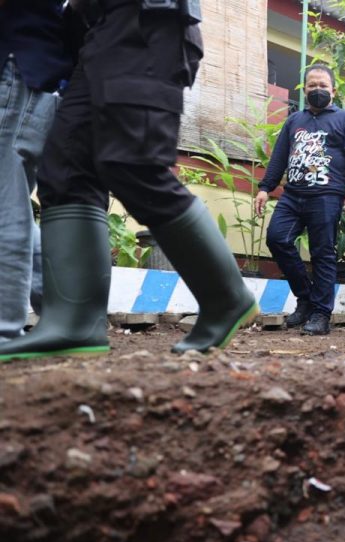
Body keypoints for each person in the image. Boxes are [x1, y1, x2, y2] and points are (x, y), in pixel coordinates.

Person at [0, 0, 258, 363]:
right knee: (65, 167)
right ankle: (72, 321)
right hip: (97, 30)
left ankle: (225, 299)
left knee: (131, 161)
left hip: (145, 19)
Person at [257, 64, 345, 336]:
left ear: (333, 90)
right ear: (304, 89)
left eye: (323, 86)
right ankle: (305, 298)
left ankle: (321, 314)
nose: (317, 90)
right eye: (312, 86)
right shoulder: (294, 121)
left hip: (326, 196)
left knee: (322, 254)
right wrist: (265, 187)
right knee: (277, 238)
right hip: (293, 194)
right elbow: (279, 157)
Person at [0, 0, 74, 342]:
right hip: (29, 71)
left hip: (18, 72)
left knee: (6, 208)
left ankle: (4, 328)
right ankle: (69, 315)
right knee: (12, 205)